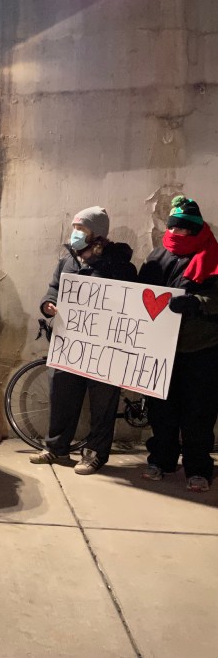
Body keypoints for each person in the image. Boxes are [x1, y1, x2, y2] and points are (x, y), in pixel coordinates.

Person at [30, 206, 138, 474]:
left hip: (105, 347)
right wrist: (48, 304)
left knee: (103, 403)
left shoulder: (118, 264)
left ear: (97, 233)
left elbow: (132, 302)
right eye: (75, 227)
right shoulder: (68, 260)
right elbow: (53, 288)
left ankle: (95, 454)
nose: (75, 233)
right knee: (62, 396)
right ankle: (56, 448)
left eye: (82, 229)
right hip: (70, 343)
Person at [138, 196, 218, 492]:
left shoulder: (214, 256)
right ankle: (161, 460)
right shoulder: (157, 258)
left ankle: (198, 468)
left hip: (201, 350)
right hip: (163, 352)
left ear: (197, 229)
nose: (179, 235)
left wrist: (198, 303)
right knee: (162, 411)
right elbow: (140, 295)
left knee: (199, 413)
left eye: (186, 229)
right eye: (175, 228)